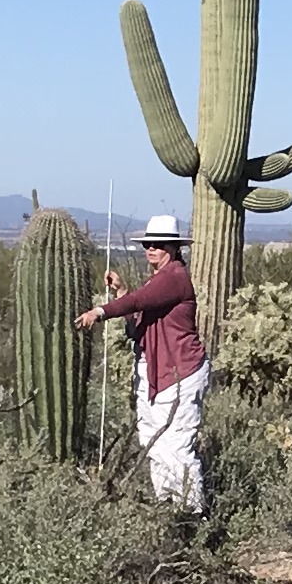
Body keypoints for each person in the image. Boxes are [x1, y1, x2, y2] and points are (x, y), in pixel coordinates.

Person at [81, 214, 210, 515]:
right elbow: (138, 321)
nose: (151, 249)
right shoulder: (158, 281)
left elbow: (140, 302)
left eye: (158, 244)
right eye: (148, 244)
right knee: (154, 444)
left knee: (176, 446)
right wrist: (121, 294)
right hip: (156, 373)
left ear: (174, 248)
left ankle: (192, 514)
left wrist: (101, 310)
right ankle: (168, 508)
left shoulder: (174, 277)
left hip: (179, 373)